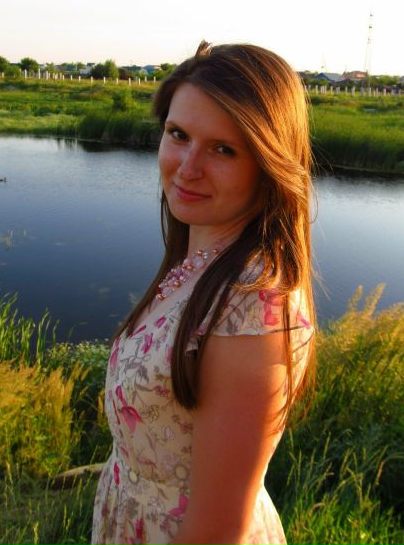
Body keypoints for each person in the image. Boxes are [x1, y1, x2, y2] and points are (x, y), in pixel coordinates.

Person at [92, 41, 316, 545]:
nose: (187, 167)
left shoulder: (253, 308)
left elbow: (215, 532)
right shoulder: (203, 260)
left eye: (223, 149)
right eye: (179, 135)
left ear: (269, 164)